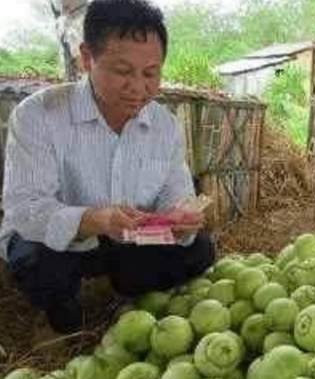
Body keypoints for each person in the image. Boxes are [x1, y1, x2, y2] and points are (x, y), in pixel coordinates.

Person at [0, 0, 216, 335]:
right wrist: (94, 220)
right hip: (63, 243)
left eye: (151, 73)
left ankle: (125, 292)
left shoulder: (164, 125)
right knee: (38, 262)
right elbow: (23, 209)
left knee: (199, 250)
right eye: (123, 71)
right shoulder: (38, 115)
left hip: (128, 240)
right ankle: (69, 320)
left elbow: (176, 192)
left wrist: (181, 218)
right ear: (87, 58)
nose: (139, 88)